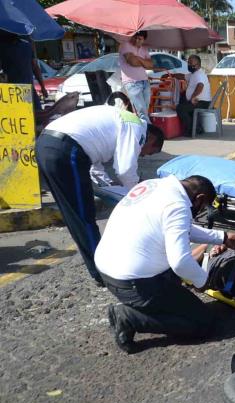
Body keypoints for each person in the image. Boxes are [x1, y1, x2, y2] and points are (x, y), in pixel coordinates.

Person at [94, 175, 235, 353]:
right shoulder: (177, 206)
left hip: (109, 268)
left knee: (178, 292)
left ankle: (160, 303)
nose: (198, 212)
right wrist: (202, 280)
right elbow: (180, 262)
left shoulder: (155, 185)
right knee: (203, 323)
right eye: (202, 208)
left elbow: (180, 227)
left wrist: (224, 237)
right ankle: (128, 318)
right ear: (199, 199)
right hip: (134, 283)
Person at [36, 105, 165, 286]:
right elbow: (126, 169)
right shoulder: (134, 126)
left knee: (74, 217)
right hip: (67, 149)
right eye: (147, 151)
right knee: (84, 217)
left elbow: (95, 163)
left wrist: (106, 183)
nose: (142, 154)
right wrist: (137, 195)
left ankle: (97, 269)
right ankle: (102, 272)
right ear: (151, 138)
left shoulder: (116, 122)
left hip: (46, 144)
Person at [119, 31, 154, 123]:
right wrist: (143, 62)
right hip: (132, 82)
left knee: (144, 110)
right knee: (142, 111)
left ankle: (144, 132)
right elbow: (132, 62)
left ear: (143, 40)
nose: (136, 40)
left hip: (144, 81)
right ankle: (149, 132)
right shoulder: (125, 45)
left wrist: (137, 58)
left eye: (140, 39)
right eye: (135, 37)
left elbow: (150, 65)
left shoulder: (144, 49)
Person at [172, 55, 212, 135]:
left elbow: (200, 85)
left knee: (180, 108)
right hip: (200, 101)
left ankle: (191, 130)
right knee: (184, 103)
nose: (189, 65)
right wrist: (171, 75)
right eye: (188, 63)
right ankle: (197, 128)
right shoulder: (194, 74)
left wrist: (193, 97)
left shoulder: (198, 74)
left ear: (198, 65)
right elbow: (183, 76)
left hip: (202, 102)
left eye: (191, 64)